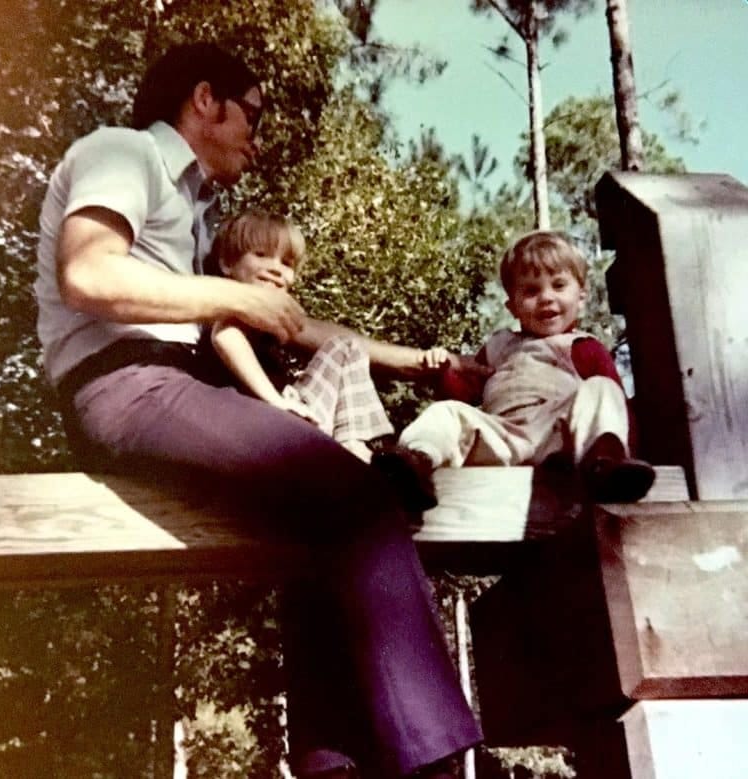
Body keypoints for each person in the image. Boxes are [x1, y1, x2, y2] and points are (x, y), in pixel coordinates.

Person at [35, 42, 482, 778]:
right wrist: (238, 296)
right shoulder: (122, 153)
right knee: (358, 494)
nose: (258, 135)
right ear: (205, 100)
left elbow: (295, 325)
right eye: (254, 114)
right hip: (128, 385)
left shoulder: (197, 217)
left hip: (181, 388)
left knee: (321, 522)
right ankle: (436, 761)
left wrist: (427, 362)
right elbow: (88, 271)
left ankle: (330, 764)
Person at [377, 230, 656, 505]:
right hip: (501, 435)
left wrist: (625, 448)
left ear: (581, 299)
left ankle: (605, 465)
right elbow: (464, 394)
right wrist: (442, 373)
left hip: (557, 438)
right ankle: (415, 462)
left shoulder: (583, 346)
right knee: (445, 413)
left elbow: (616, 407)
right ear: (512, 306)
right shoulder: (500, 345)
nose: (546, 297)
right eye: (532, 290)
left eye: (558, 285)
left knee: (602, 389)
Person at [206, 209, 399, 463]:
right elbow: (225, 336)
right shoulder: (234, 304)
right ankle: (354, 454)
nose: (275, 269)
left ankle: (354, 446)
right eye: (261, 255)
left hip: (277, 417)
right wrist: (276, 401)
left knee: (346, 347)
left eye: (286, 263)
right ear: (227, 264)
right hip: (240, 425)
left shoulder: (269, 329)